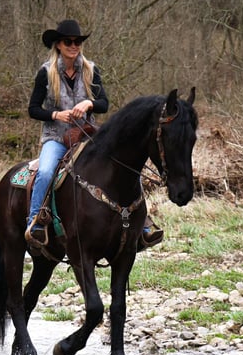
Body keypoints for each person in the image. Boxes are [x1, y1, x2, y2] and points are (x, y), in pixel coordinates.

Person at [25, 19, 163, 249]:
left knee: (126, 167)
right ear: (58, 44)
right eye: (69, 41)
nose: (74, 45)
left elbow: (104, 103)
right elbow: (33, 109)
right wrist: (56, 115)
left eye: (78, 41)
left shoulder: (91, 69)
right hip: (56, 138)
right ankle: (36, 223)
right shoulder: (46, 73)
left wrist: (88, 103)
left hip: (88, 137)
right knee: (47, 171)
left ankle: (143, 224)